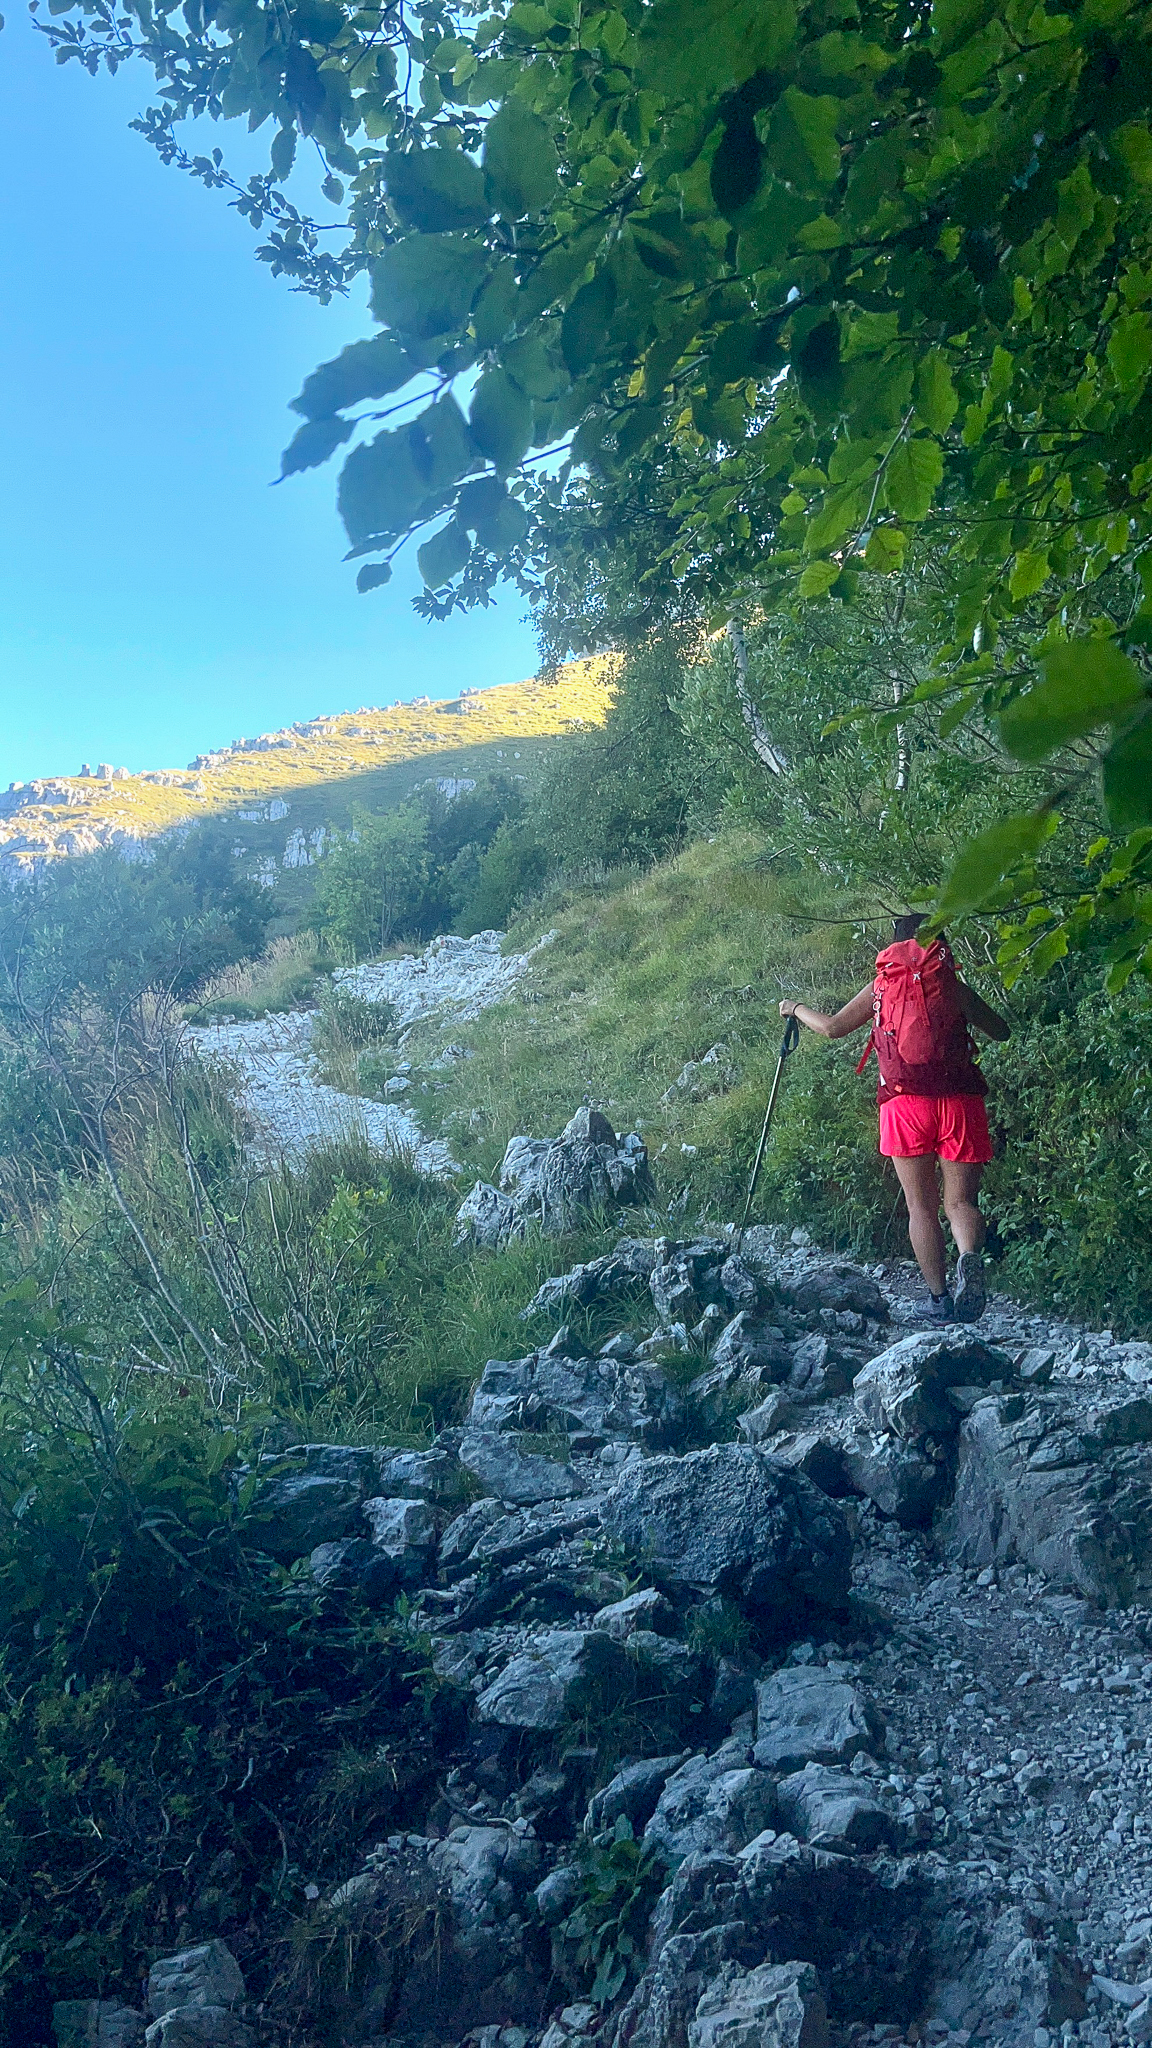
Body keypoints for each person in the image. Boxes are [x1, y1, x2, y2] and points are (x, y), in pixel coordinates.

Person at [779, 914, 1011, 1323]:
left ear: (895, 946)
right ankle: (969, 1257)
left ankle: (939, 1301)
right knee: (959, 1201)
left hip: (904, 1106)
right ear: (939, 944)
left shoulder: (882, 986)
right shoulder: (950, 984)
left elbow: (833, 1028)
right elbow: (1001, 1031)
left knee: (920, 1208)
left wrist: (794, 1008)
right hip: (959, 1101)